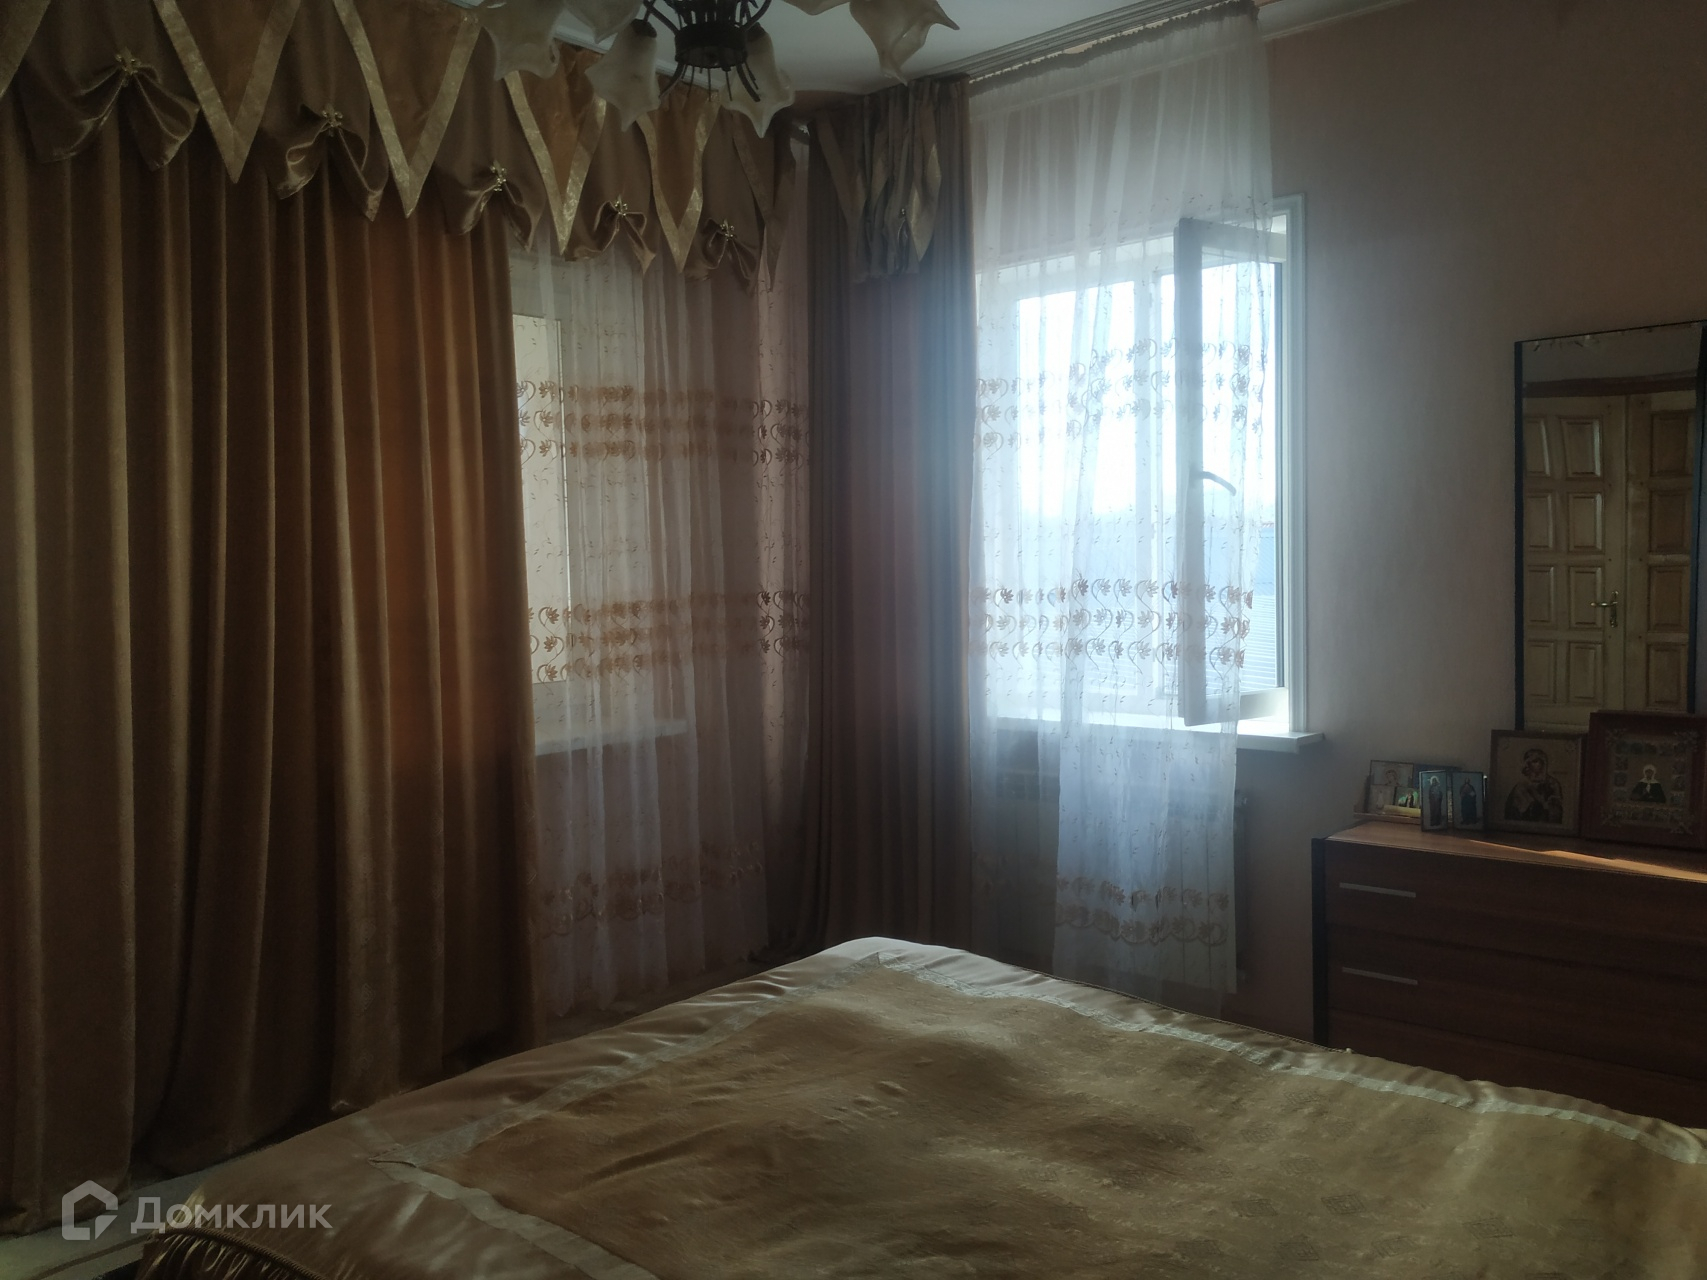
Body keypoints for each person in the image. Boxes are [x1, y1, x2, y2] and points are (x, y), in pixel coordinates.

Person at [1504, 748, 1565, 824]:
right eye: (1529, 762)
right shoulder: (1522, 785)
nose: (1531, 764)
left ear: (1543, 763)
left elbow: (1556, 808)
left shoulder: (1553, 783)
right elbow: (1513, 810)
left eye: (1535, 761)